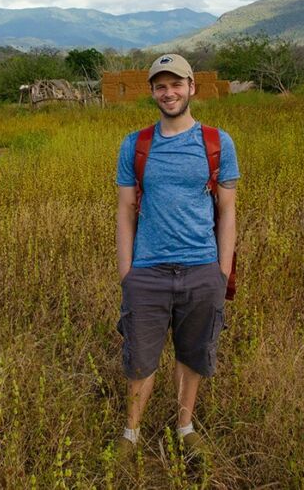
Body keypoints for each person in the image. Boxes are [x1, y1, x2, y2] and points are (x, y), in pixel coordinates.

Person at [114, 53, 239, 461]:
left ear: (192, 88)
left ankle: (184, 427)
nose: (169, 93)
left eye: (176, 84)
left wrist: (220, 272)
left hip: (201, 269)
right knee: (140, 360)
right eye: (160, 86)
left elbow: (228, 212)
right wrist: (127, 273)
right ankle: (130, 435)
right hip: (147, 272)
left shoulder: (217, 143)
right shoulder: (135, 145)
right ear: (152, 92)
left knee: (192, 354)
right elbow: (124, 210)